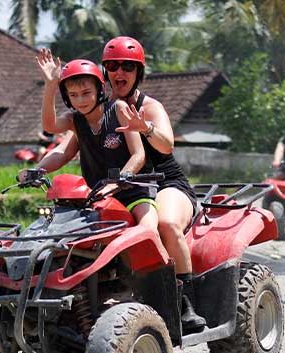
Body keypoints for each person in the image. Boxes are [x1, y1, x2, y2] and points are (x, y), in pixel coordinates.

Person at [99, 36, 206, 332]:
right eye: (113, 66)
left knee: (166, 224)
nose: (120, 73)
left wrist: (144, 127)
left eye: (128, 67)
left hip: (166, 184)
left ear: (139, 73)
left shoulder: (150, 107)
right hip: (128, 186)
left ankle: (185, 304)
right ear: (105, 71)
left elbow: (167, 144)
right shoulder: (104, 108)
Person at [24, 49, 158, 232]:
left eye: (86, 92)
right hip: (96, 198)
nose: (80, 100)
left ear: (100, 90)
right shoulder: (75, 120)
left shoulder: (118, 109)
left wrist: (115, 183)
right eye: (73, 95)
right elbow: (51, 127)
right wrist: (50, 85)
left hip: (134, 193)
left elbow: (139, 155)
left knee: (147, 229)